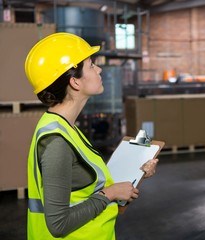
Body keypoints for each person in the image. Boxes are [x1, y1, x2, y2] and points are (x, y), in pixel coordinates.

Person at [24, 32, 159, 240]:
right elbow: (58, 224)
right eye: (91, 65)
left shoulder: (66, 128)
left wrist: (135, 174)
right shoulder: (57, 142)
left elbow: (85, 187)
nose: (99, 69)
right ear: (75, 83)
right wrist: (111, 193)